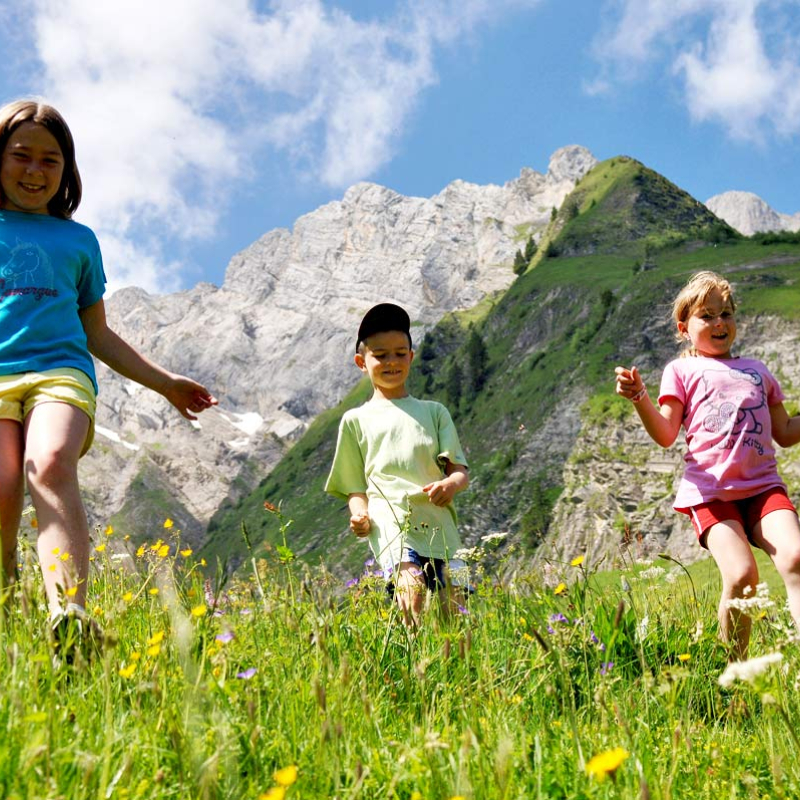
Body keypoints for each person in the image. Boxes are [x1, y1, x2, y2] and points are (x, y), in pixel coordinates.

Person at [0, 99, 217, 659]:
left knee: (48, 462)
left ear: (67, 171)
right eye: (20, 156)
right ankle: (5, 608)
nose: (34, 171)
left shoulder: (78, 242)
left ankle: (67, 614)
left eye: (50, 161)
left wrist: (165, 382)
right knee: (2, 482)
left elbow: (98, 333)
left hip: (59, 374)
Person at [615, 270, 800, 658]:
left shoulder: (758, 370)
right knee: (741, 575)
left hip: (764, 488)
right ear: (684, 328)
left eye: (726, 314)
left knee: (796, 558)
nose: (719, 322)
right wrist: (640, 398)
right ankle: (735, 674)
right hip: (711, 494)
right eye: (707, 315)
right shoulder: (681, 371)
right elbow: (666, 433)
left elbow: (783, 431)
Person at [325, 303, 469, 628]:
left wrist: (450, 485)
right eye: (380, 355)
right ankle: (409, 662)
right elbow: (354, 486)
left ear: (411, 357)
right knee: (412, 588)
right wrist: (358, 515)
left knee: (455, 607)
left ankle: (455, 670)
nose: (392, 362)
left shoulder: (434, 412)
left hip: (439, 524)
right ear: (362, 362)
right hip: (390, 523)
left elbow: (460, 471)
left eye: (400, 353)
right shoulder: (355, 420)